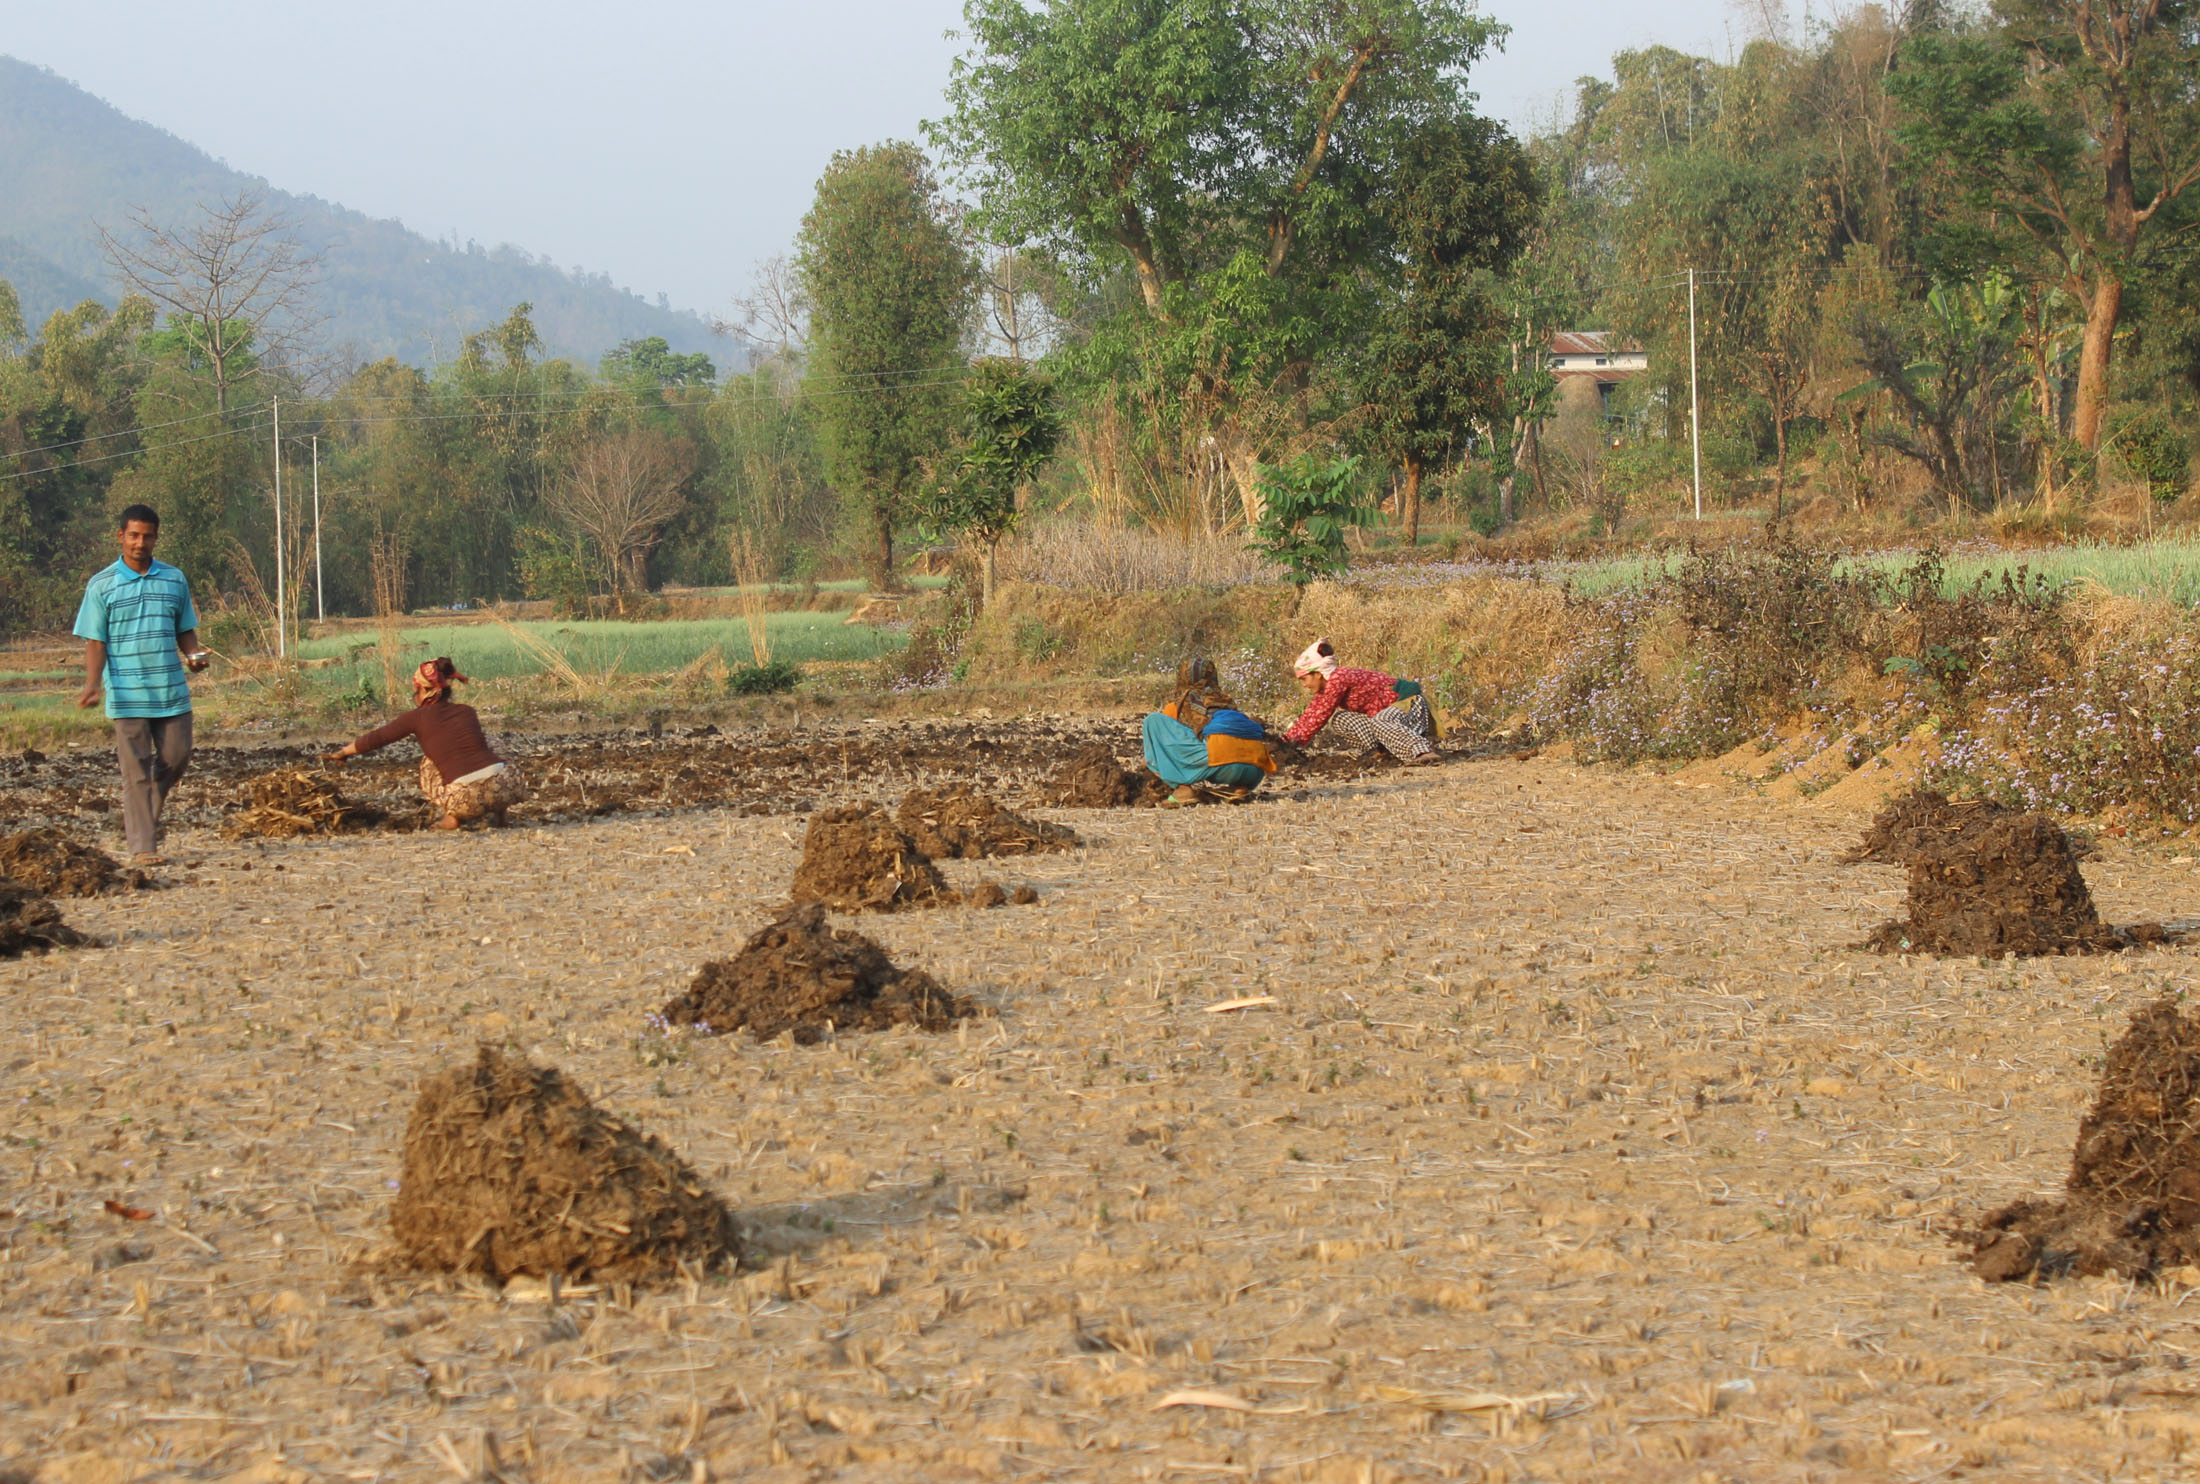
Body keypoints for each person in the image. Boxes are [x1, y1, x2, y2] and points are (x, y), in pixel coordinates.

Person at [74, 504, 211, 866]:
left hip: (170, 691)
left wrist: (195, 656)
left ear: (156, 537)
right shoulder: (102, 585)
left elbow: (185, 629)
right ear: (120, 536)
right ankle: (142, 847)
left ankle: (143, 817)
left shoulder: (174, 579)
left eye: (147, 535)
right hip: (126, 694)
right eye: (133, 535)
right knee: (135, 773)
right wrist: (92, 684)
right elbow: (95, 641)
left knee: (176, 759)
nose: (140, 542)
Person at [328, 658, 527, 829]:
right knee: (490, 744)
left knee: (428, 762)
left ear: (423, 689)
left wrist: (345, 752)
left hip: (463, 800)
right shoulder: (467, 711)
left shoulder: (416, 718)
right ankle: (500, 814)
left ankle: (452, 817)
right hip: (506, 787)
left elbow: (379, 738)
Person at [1279, 638, 1439, 765]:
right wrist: (1285, 743)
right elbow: (1310, 715)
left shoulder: (1339, 679)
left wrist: (1294, 744)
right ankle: (1383, 750)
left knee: (1381, 720)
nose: (1304, 685)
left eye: (1304, 679)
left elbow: (1320, 716)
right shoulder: (1327, 688)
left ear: (1318, 674)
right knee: (1341, 720)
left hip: (1407, 703)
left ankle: (1423, 752)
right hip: (1384, 717)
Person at [1141, 657, 1276, 806]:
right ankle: (1239, 788)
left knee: (1152, 721)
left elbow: (1165, 747)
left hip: (1221, 764)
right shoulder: (1227, 702)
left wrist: (1152, 760)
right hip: (1255, 771)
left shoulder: (1179, 705)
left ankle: (1183, 790)